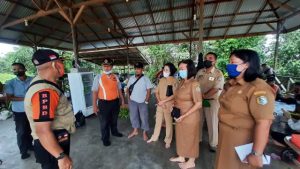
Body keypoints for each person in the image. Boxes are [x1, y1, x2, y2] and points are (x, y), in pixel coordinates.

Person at [215, 49, 275, 169]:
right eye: (229, 61)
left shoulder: (258, 88)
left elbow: (264, 122)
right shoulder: (231, 84)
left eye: (233, 62)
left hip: (241, 140)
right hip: (224, 135)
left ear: (246, 65)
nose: (229, 65)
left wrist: (256, 153)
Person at [24, 49, 76, 169]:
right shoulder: (45, 91)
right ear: (55, 64)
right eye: (61, 62)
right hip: (51, 145)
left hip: (55, 140)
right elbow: (43, 130)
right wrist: (61, 156)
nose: (62, 65)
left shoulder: (42, 83)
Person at [169, 59, 202, 169]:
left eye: (182, 69)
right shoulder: (182, 82)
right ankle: (182, 156)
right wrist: (173, 106)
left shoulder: (194, 84)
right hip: (179, 115)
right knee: (181, 137)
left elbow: (198, 104)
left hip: (189, 117)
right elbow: (177, 96)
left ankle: (191, 161)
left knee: (191, 138)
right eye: (180, 69)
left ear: (190, 69)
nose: (180, 71)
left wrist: (184, 115)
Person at [92, 58, 125, 146]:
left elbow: (119, 89)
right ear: (102, 67)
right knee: (104, 122)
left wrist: (122, 99)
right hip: (104, 103)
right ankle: (105, 138)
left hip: (115, 102)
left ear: (112, 67)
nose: (106, 68)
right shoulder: (98, 77)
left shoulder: (115, 77)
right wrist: (94, 105)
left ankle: (114, 132)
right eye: (104, 66)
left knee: (114, 120)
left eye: (108, 66)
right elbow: (95, 91)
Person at [196, 52, 224, 152]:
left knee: (212, 122)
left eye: (210, 58)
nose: (207, 60)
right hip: (199, 101)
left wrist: (204, 96)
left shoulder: (218, 73)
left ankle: (213, 143)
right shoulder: (200, 72)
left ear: (215, 61)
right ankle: (198, 140)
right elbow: (195, 84)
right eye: (206, 58)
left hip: (212, 102)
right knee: (198, 121)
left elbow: (216, 88)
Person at [4, 63, 33, 159]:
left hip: (32, 110)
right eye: (14, 69)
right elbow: (9, 97)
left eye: (19, 68)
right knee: (21, 131)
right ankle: (23, 151)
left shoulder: (32, 80)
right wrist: (26, 98)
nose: (17, 71)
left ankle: (30, 146)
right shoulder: (10, 83)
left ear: (24, 69)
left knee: (30, 129)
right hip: (19, 111)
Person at [147, 63, 177, 148]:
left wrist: (163, 102)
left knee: (169, 123)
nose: (164, 71)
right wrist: (160, 102)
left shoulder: (174, 81)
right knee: (158, 122)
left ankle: (168, 140)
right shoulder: (162, 80)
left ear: (171, 71)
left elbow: (174, 95)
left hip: (168, 106)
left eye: (167, 70)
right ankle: (154, 137)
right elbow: (156, 92)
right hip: (160, 105)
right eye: (164, 69)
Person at [127, 62, 153, 141]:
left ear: (142, 69)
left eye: (139, 69)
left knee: (144, 117)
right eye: (136, 69)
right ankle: (135, 131)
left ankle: (144, 132)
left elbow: (149, 90)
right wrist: (129, 98)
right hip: (133, 101)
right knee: (133, 116)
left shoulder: (146, 78)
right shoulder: (131, 78)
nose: (137, 70)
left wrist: (146, 100)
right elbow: (127, 88)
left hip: (142, 102)